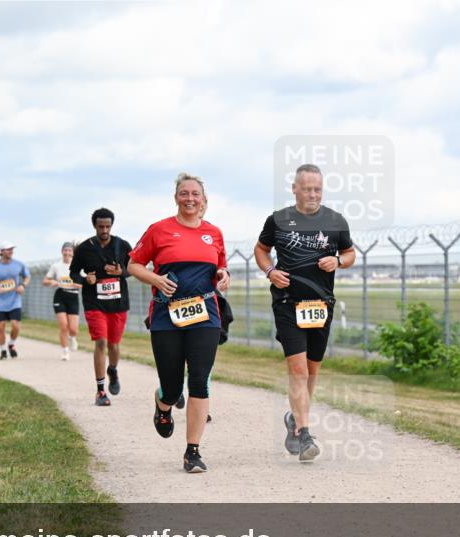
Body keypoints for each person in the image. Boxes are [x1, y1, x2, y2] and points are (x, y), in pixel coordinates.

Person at [254, 164, 356, 462]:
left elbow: (350, 253)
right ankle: (304, 430)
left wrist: (338, 261)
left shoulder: (336, 221)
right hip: (288, 303)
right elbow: (261, 250)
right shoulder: (278, 220)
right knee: (297, 370)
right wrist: (271, 271)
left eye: (317, 189)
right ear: (295, 189)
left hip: (321, 306)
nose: (312, 194)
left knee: (312, 372)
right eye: (307, 188)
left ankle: (295, 421)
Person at [129, 173, 229, 473]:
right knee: (172, 387)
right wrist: (156, 279)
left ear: (203, 199)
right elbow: (133, 264)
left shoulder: (214, 233)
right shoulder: (159, 230)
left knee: (199, 380)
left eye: (195, 194)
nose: (189, 199)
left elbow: (221, 266)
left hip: (205, 314)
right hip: (166, 316)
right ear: (176, 197)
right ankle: (163, 405)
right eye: (184, 193)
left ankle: (192, 451)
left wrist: (225, 275)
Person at [70, 208, 133, 406]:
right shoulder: (84, 248)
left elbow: (133, 268)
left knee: (114, 345)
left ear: (112, 225)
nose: (104, 230)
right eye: (101, 226)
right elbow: (73, 272)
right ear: (95, 226)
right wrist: (84, 279)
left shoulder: (122, 245)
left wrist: (121, 271)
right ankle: (100, 391)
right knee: (101, 343)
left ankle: (113, 369)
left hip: (118, 303)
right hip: (94, 302)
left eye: (107, 226)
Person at [0, 242, 30, 359]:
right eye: (8, 249)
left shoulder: (18, 264)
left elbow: (27, 276)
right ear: (2, 252)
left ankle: (11, 343)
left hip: (14, 301)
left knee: (16, 325)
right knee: (1, 326)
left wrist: (23, 285)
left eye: (12, 249)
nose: (11, 251)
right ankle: (3, 349)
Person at [43, 241, 81, 361]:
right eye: (65, 250)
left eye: (70, 250)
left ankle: (72, 337)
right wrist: (52, 282)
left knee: (74, 328)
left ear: (72, 253)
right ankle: (65, 351)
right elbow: (45, 281)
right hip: (60, 296)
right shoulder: (56, 266)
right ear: (62, 251)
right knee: (63, 325)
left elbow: (86, 283)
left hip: (73, 296)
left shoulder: (78, 266)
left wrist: (76, 284)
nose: (67, 252)